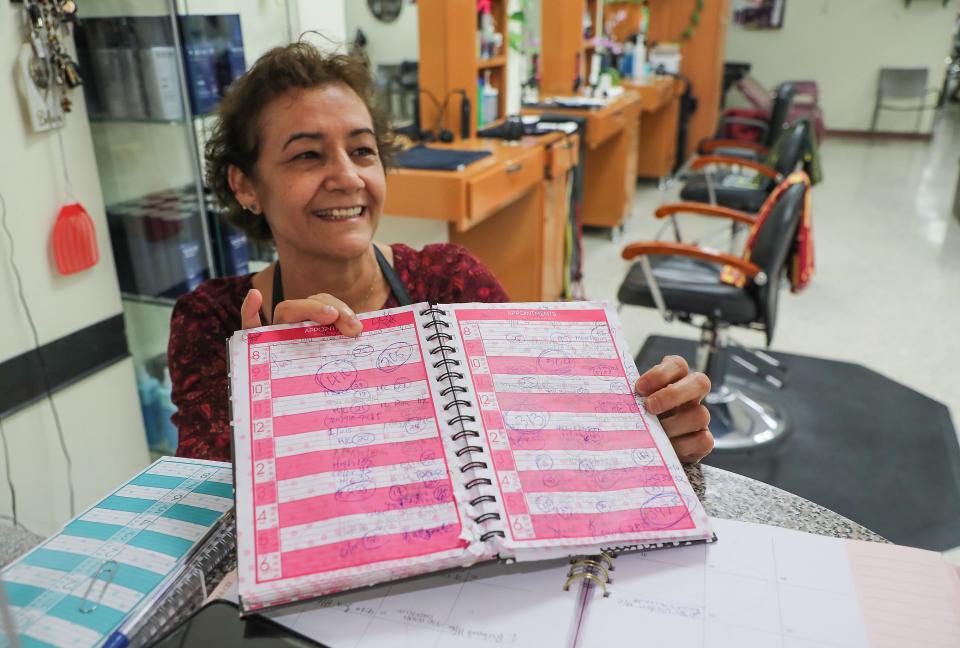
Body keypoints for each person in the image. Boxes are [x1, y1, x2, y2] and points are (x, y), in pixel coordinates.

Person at [168, 41, 714, 465]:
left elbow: (540, 423)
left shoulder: (449, 282)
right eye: (308, 155)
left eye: (362, 150)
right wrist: (273, 381)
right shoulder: (214, 323)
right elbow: (216, 513)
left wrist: (651, 427)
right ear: (245, 185)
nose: (347, 176)